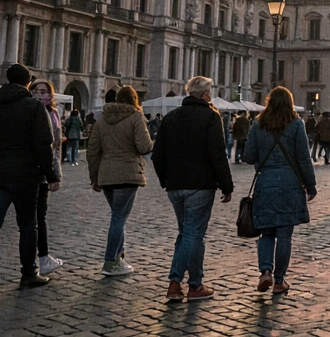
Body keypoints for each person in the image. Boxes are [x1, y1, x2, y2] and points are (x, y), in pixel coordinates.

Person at [0, 64, 61, 299]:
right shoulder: (33, 107)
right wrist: (51, 175)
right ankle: (28, 273)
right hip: (26, 177)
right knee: (28, 226)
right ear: (28, 83)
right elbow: (43, 144)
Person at [151, 76, 234, 302]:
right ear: (205, 94)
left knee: (186, 234)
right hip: (200, 185)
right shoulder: (210, 116)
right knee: (193, 235)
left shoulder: (171, 117)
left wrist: (166, 180)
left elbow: (156, 155)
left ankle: (194, 283)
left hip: (175, 186)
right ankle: (176, 282)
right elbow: (218, 154)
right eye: (210, 92)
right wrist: (227, 186)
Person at [243, 86, 317, 295]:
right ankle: (279, 280)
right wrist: (310, 185)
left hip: (265, 182)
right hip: (290, 184)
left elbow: (248, 155)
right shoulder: (296, 125)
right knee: (284, 235)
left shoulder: (258, 125)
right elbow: (303, 157)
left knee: (266, 232)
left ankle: (265, 271)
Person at [86, 84, 153, 276]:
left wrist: (94, 177)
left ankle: (119, 258)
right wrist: (153, 142)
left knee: (118, 217)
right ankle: (109, 262)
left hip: (106, 175)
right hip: (128, 174)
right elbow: (143, 146)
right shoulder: (136, 117)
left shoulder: (101, 120)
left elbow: (92, 151)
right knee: (118, 218)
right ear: (134, 100)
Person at [29, 79, 65, 277]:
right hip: (27, 171)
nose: (41, 94)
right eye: (36, 90)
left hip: (43, 172)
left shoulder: (54, 114)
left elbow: (55, 148)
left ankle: (42, 259)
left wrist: (55, 175)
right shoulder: (27, 110)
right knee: (29, 220)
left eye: (44, 91)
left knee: (38, 218)